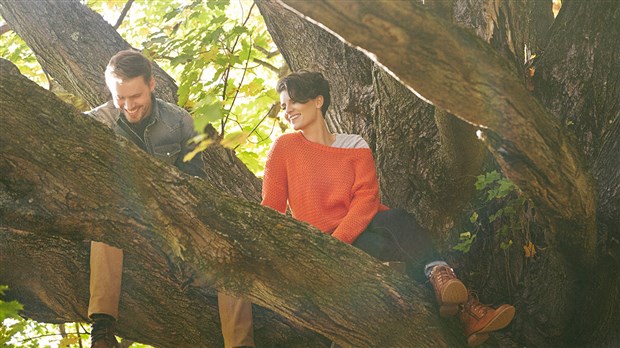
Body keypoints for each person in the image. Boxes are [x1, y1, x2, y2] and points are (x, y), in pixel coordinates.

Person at [261, 70, 515, 347]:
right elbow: (270, 211)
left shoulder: (354, 145)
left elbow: (366, 201)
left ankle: (448, 286)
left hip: (363, 236)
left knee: (397, 221)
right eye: (284, 106)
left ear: (318, 101)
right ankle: (466, 311)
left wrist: (336, 244)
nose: (287, 111)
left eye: (293, 102)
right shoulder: (284, 148)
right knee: (402, 236)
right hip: (323, 245)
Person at [86, 50, 254, 348]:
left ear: (152, 84)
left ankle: (239, 344)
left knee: (229, 251)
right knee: (106, 223)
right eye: (119, 97)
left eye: (134, 96)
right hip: (123, 220)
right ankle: (101, 327)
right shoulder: (95, 123)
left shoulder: (179, 120)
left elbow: (195, 181)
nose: (127, 106)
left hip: (175, 218)